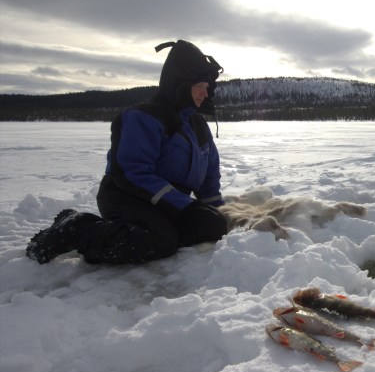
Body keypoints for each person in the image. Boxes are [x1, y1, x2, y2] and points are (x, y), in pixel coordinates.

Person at [26, 40, 228, 265]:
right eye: (200, 85)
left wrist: (220, 215)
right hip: (128, 196)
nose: (205, 92)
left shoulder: (198, 125)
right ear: (182, 83)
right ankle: (76, 227)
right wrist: (186, 207)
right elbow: (134, 173)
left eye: (207, 86)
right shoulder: (144, 117)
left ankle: (160, 231)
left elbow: (209, 180)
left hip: (169, 202)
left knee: (212, 226)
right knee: (159, 241)